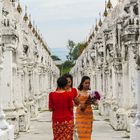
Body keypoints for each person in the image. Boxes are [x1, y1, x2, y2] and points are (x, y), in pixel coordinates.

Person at [75, 76, 93, 140]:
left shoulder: (90, 93)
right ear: (82, 83)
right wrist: (80, 105)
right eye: (86, 83)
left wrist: (93, 100)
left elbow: (95, 103)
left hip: (88, 115)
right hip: (80, 115)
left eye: (88, 83)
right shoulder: (78, 92)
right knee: (81, 132)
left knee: (88, 132)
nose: (87, 84)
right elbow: (75, 103)